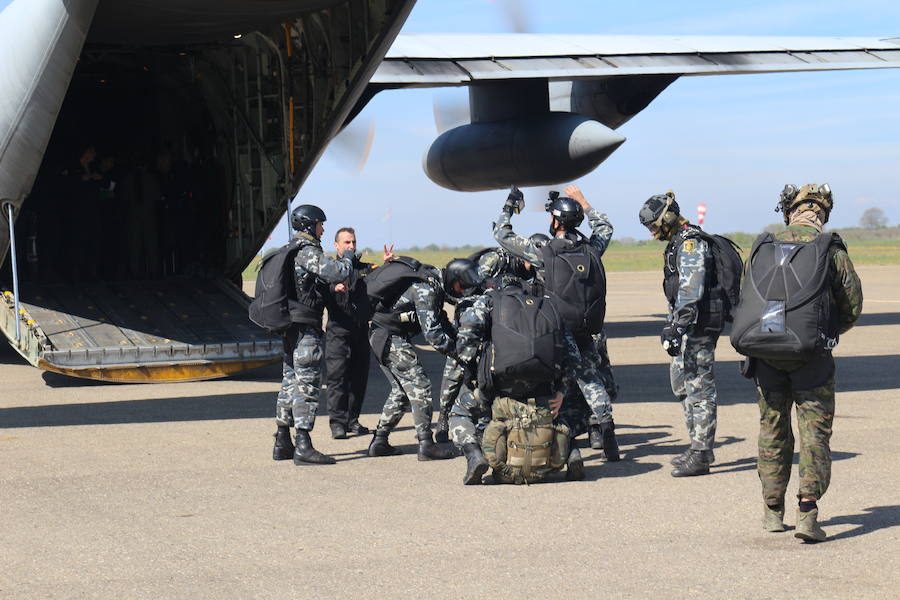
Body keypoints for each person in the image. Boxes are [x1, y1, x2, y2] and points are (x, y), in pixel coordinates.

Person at [731, 184, 862, 542]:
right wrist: (824, 332)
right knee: (814, 434)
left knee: (772, 430)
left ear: (788, 210)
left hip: (766, 355)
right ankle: (807, 515)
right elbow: (852, 304)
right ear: (823, 212)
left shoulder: (763, 246)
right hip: (811, 357)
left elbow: (748, 297)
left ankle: (772, 512)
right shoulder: (829, 248)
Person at [493, 184, 620, 461]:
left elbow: (501, 234)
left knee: (553, 383)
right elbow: (606, 228)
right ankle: (607, 431)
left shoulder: (545, 252)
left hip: (560, 328)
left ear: (555, 221)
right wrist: (583, 201)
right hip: (587, 327)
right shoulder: (591, 249)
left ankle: (558, 442)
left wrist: (509, 206)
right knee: (590, 379)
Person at [449, 278, 583, 485]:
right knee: (559, 411)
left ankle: (474, 455)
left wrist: (471, 373)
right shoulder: (547, 305)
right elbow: (572, 354)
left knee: (460, 411)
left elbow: (467, 336)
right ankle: (572, 452)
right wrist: (562, 390)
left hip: (498, 385)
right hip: (542, 385)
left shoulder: (488, 302)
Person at [639, 191, 724, 477]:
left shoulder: (690, 244)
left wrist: (678, 327)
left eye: (654, 226)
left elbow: (691, 290)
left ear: (668, 218)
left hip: (696, 329)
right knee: (682, 387)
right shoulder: (677, 242)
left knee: (699, 389)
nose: (652, 233)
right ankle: (696, 445)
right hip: (684, 326)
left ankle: (701, 454)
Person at [366, 256, 473, 461]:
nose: (461, 292)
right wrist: (460, 353)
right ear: (452, 280)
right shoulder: (427, 288)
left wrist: (457, 339)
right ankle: (426, 444)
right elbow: (433, 335)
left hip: (382, 334)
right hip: (388, 336)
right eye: (461, 287)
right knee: (419, 385)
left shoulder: (435, 285)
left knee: (401, 391)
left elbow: (440, 319)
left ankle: (379, 441)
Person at [272, 204, 354, 465]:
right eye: (320, 224)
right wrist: (348, 258)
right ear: (309, 225)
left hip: (290, 327)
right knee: (307, 384)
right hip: (305, 328)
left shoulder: (290, 249)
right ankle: (303, 445)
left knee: (289, 382)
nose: (323, 229)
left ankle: (282, 441)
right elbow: (336, 271)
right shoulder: (306, 251)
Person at [323, 227, 374, 439]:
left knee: (359, 378)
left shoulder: (364, 268)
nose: (351, 246)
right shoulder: (329, 269)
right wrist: (332, 289)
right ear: (337, 246)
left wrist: (388, 265)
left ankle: (353, 420)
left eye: (353, 242)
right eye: (346, 243)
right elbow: (317, 291)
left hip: (361, 329)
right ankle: (337, 423)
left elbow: (379, 280)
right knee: (337, 378)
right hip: (338, 331)